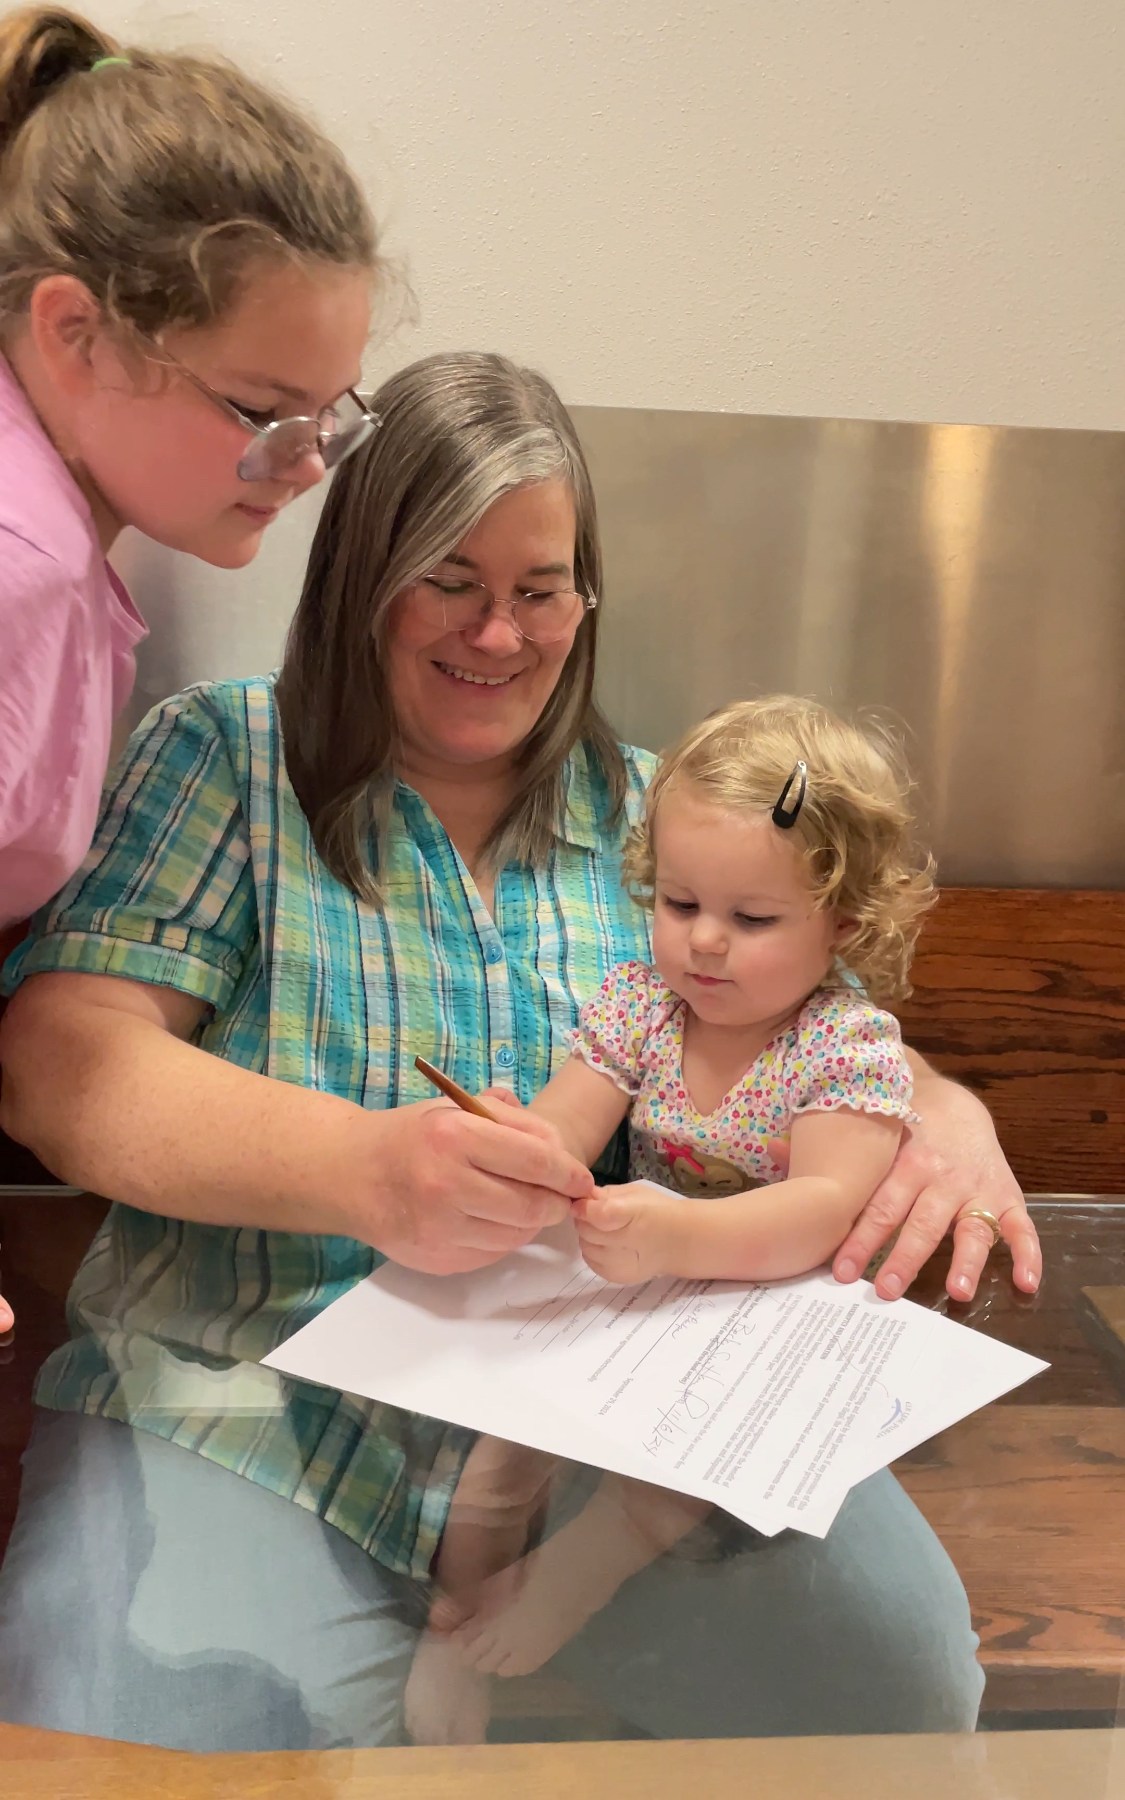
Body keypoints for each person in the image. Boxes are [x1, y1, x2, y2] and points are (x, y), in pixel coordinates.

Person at [0, 352, 1040, 1752]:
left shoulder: (671, 814)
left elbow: (829, 1044)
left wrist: (945, 1108)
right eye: (449, 580)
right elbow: (61, 1061)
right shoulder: (227, 758)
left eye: (541, 590)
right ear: (362, 578)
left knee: (898, 1689)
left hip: (613, 1430)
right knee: (113, 1742)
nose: (499, 634)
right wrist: (364, 1169)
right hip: (242, 1397)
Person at [404, 693, 938, 1741]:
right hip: (644, 1297)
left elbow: (824, 1209)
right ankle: (454, 1629)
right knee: (495, 1466)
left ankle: (573, 1583)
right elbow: (570, 1123)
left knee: (663, 1484)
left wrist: (675, 1236)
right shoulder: (645, 1005)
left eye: (752, 919)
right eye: (679, 901)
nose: (703, 942)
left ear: (844, 921)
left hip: (777, 1324)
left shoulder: (844, 1045)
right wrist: (523, 1144)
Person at [0, 5, 381, 1334]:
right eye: (264, 414)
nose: (305, 465)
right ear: (74, 332)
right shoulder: (19, 568)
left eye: (332, 416)